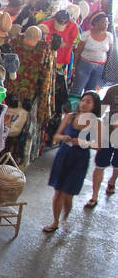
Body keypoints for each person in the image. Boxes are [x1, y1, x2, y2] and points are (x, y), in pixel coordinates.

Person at [44, 91, 101, 231]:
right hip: (63, 155)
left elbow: (98, 145)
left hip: (79, 160)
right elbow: (57, 136)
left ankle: (65, 218)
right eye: (83, 100)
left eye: (88, 101)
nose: (84, 104)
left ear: (94, 106)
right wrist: (64, 138)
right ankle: (55, 222)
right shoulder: (70, 117)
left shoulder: (96, 122)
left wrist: (81, 142)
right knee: (57, 193)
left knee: (67, 195)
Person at [86, 83, 118, 207]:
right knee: (100, 164)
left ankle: (112, 181)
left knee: (117, 164)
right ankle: (94, 196)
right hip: (107, 134)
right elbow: (102, 110)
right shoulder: (113, 90)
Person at [72, 10, 112, 94]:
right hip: (84, 65)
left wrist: (106, 67)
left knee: (91, 92)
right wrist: (74, 66)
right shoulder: (86, 35)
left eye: (107, 22)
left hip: (100, 67)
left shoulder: (109, 36)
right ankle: (73, 106)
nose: (106, 24)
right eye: (103, 22)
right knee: (77, 89)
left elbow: (109, 53)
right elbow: (78, 51)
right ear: (96, 23)